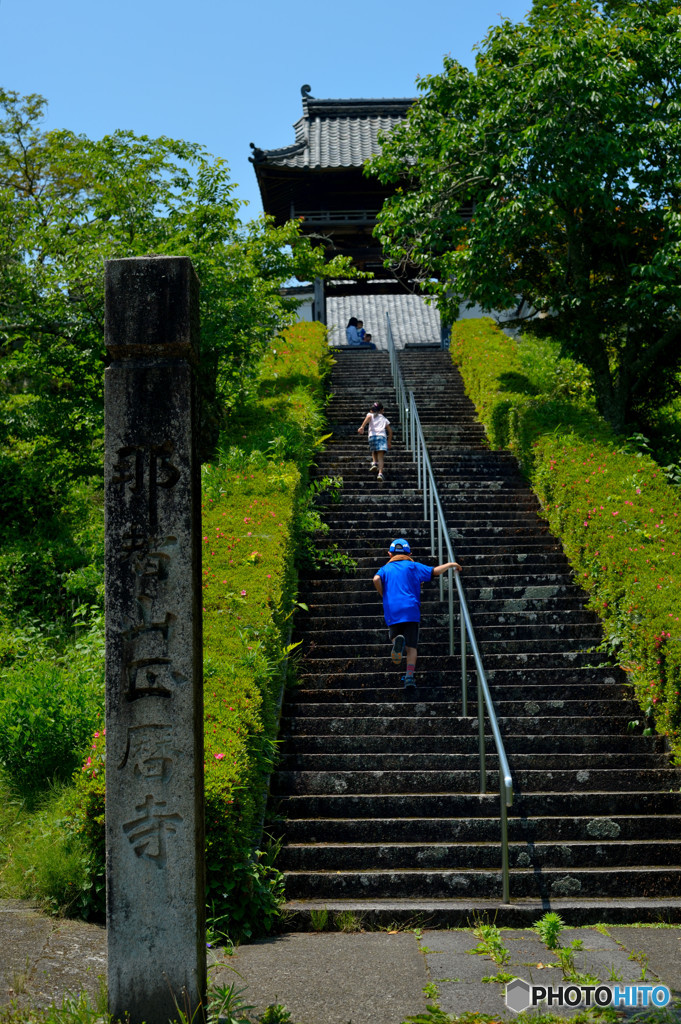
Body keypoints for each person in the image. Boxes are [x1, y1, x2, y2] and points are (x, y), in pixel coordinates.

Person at [373, 538, 462, 690]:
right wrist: (450, 564)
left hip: (393, 608)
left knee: (394, 635)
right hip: (411, 610)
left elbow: (375, 579)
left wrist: (383, 594)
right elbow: (434, 571)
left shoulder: (385, 569)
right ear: (410, 553)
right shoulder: (413, 566)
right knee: (412, 646)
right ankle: (409, 677)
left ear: (389, 554)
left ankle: (397, 643)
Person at [358, 401, 392, 480]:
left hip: (372, 437)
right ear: (381, 410)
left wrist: (362, 427)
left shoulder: (370, 415)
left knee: (374, 451)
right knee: (380, 457)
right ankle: (380, 473)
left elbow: (368, 418)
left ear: (372, 410)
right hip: (382, 437)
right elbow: (390, 431)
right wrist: (389, 442)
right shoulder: (384, 419)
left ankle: (374, 463)